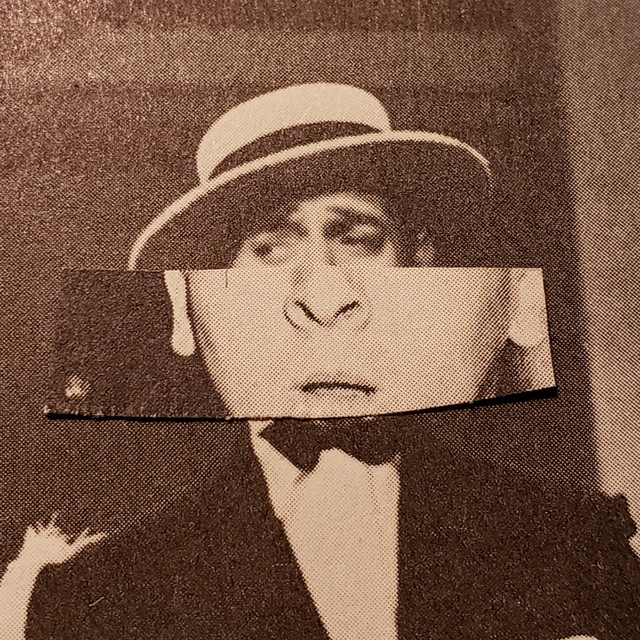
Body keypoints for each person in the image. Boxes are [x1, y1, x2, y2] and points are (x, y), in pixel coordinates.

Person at [25, 84, 640, 639]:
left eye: (359, 240)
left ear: (418, 272)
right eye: (267, 249)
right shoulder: (95, 595)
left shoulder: (575, 539)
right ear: (193, 308)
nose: (323, 297)